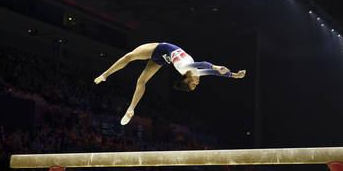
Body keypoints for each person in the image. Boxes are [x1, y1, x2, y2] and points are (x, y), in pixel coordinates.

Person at [94, 42, 246, 125]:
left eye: (193, 85)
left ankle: (130, 109)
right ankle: (105, 75)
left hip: (161, 56)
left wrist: (216, 67)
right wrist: (233, 75)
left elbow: (205, 64)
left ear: (187, 80)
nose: (197, 83)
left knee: (141, 80)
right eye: (195, 85)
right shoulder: (194, 73)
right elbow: (212, 71)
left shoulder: (185, 68)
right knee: (129, 57)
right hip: (159, 48)